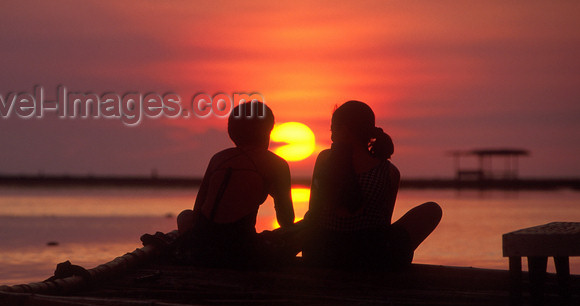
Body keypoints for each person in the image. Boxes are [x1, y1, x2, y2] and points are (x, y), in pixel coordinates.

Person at [302, 100, 442, 271]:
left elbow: (313, 214)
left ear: (344, 131)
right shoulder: (389, 172)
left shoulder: (324, 159)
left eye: (333, 130)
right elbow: (382, 224)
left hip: (324, 254)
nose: (331, 137)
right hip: (369, 258)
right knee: (432, 210)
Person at [176, 101, 295, 268]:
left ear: (231, 132)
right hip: (241, 251)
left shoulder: (218, 158)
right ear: (268, 131)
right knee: (302, 230)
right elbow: (286, 220)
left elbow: (197, 212)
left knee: (184, 215)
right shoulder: (276, 164)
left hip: (201, 244)